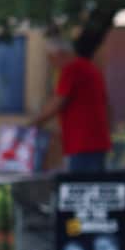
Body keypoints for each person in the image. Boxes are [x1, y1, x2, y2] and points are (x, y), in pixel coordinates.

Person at [30, 37, 111, 173]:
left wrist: (32, 124)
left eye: (51, 58)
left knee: (80, 185)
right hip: (95, 140)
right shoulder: (89, 67)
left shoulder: (72, 70)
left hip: (83, 142)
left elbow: (57, 102)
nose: (51, 63)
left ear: (60, 54)